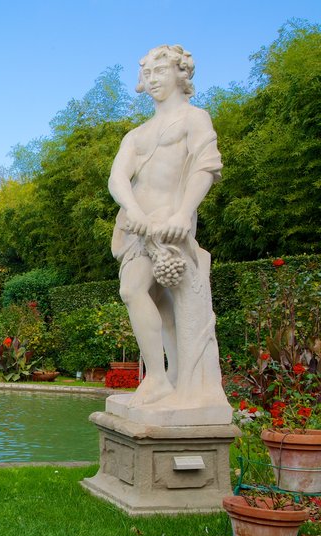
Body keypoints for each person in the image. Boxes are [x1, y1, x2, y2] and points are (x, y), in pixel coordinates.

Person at [107, 44, 228, 414]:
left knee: (142, 294)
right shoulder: (136, 134)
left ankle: (167, 379)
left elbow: (204, 168)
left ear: (181, 74)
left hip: (171, 229)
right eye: (147, 75)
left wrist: (183, 214)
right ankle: (166, 378)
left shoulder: (195, 118)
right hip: (136, 229)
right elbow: (117, 178)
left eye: (160, 72)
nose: (153, 80)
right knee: (153, 301)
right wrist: (132, 209)